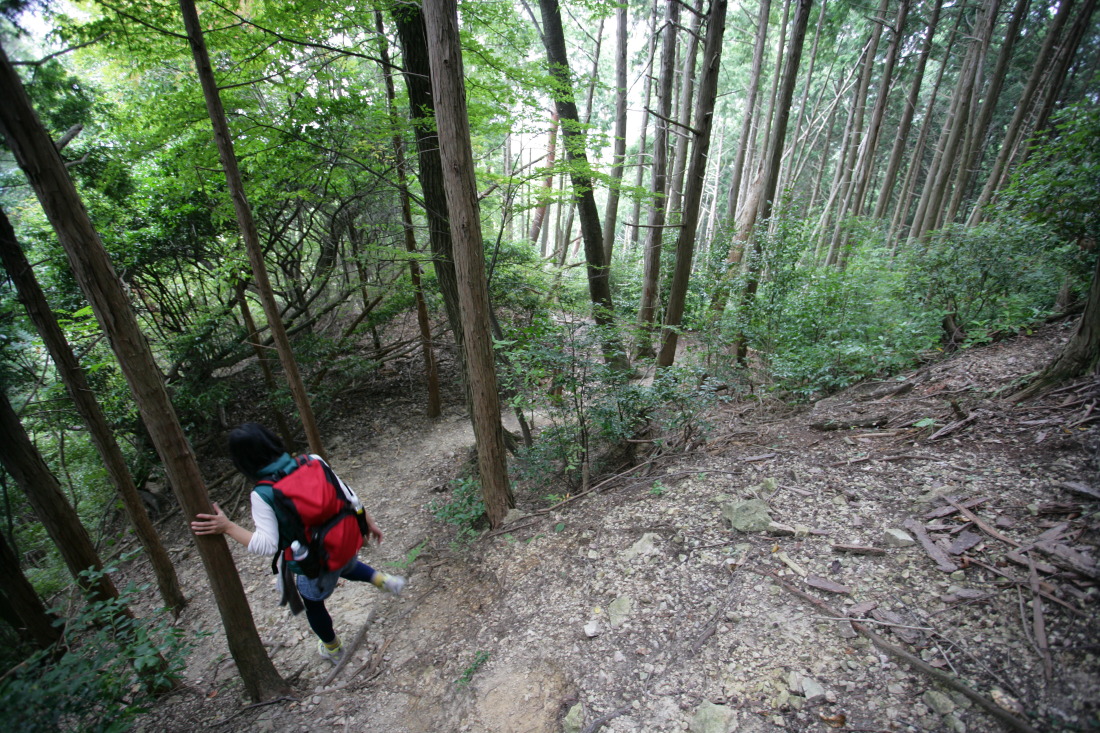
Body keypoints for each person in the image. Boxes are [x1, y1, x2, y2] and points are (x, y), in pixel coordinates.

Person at [191, 423, 405, 664]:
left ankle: (333, 648)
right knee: (345, 565)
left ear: (242, 461)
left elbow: (267, 546)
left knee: (313, 604)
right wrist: (369, 523)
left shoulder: (263, 494)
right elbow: (349, 496)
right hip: (346, 539)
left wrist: (227, 527)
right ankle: (385, 581)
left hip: (314, 561)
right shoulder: (312, 461)